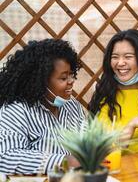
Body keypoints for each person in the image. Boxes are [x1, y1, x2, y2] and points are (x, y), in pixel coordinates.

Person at [0, 39, 84, 175]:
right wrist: (64, 162)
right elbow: (5, 157)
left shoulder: (71, 105)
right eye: (63, 78)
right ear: (40, 82)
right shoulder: (16, 111)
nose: (71, 81)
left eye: (71, 74)